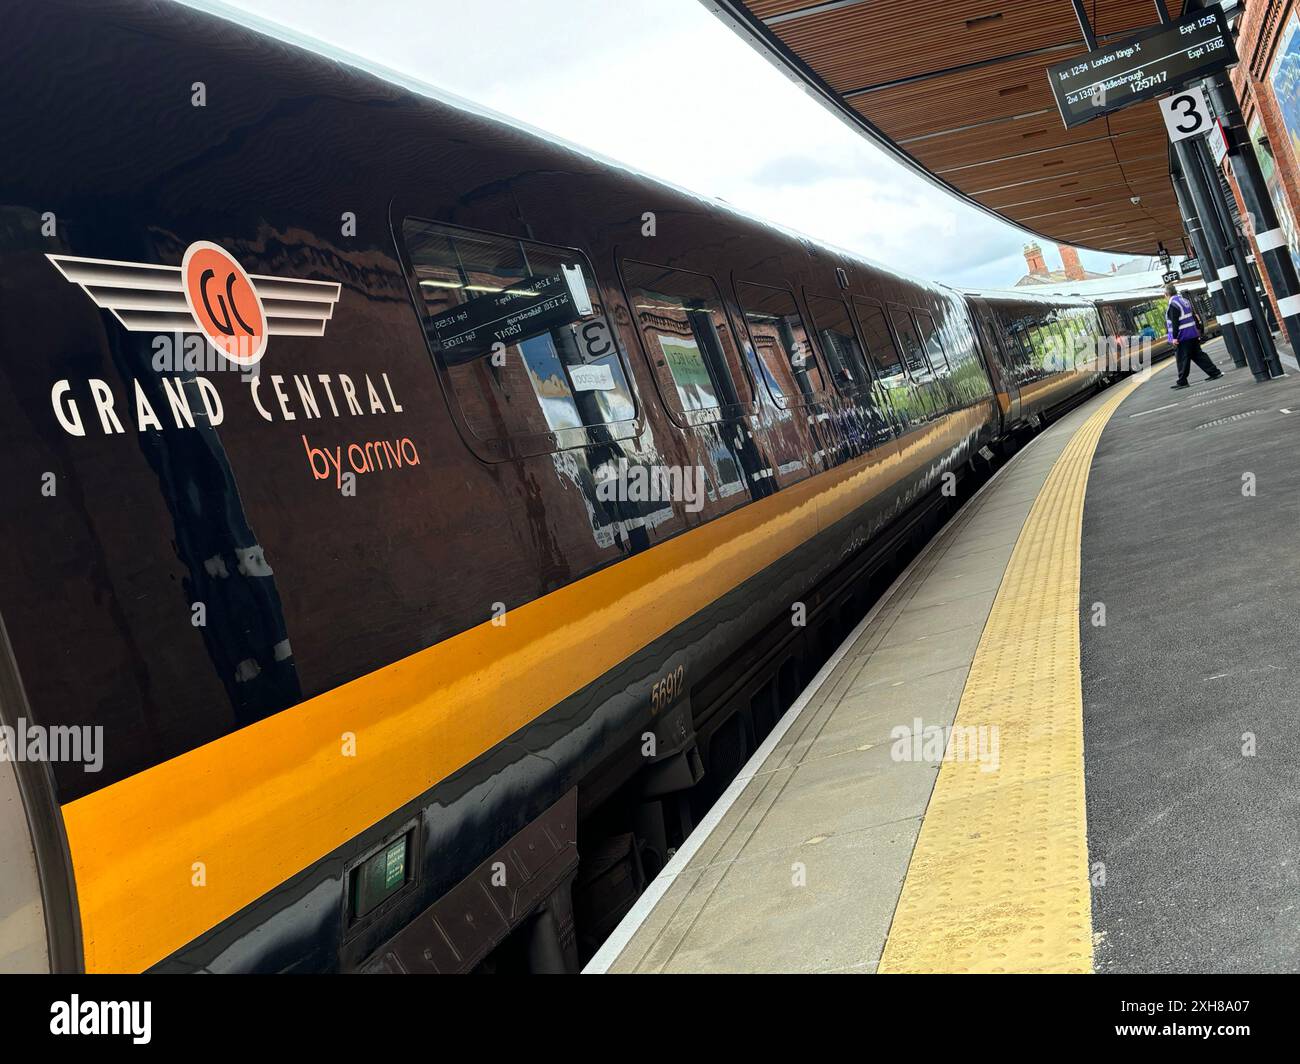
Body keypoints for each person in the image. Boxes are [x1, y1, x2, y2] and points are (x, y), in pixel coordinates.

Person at [1165, 284, 1223, 388]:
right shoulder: (1185, 301)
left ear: (1166, 294)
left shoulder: (1173, 305)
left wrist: (1174, 338)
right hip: (1192, 333)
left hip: (1183, 336)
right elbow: (1193, 317)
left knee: (1182, 358)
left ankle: (1182, 381)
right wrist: (1198, 330)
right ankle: (1215, 372)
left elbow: (1175, 323)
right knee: (1198, 355)